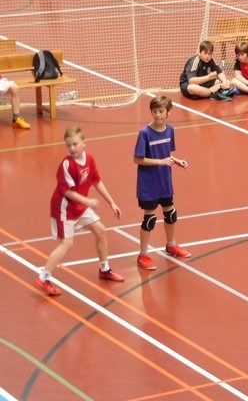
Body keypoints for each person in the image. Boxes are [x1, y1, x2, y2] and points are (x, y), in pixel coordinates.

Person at [34, 127, 124, 296]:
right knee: (67, 244)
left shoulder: (90, 159)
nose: (72, 148)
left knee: (101, 230)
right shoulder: (67, 164)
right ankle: (43, 278)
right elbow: (67, 191)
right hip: (64, 208)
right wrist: (87, 201)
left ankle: (104, 269)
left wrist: (111, 202)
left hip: (79, 206)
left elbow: (97, 181)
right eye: (68, 145)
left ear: (84, 143)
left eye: (75, 144)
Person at [133, 95, 192, 271]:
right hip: (149, 183)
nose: (157, 115)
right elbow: (137, 159)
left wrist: (176, 161)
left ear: (168, 112)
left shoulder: (170, 130)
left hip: (164, 180)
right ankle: (143, 255)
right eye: (154, 111)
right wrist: (160, 162)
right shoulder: (145, 133)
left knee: (170, 214)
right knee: (150, 219)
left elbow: (166, 154)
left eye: (161, 111)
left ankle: (171, 245)